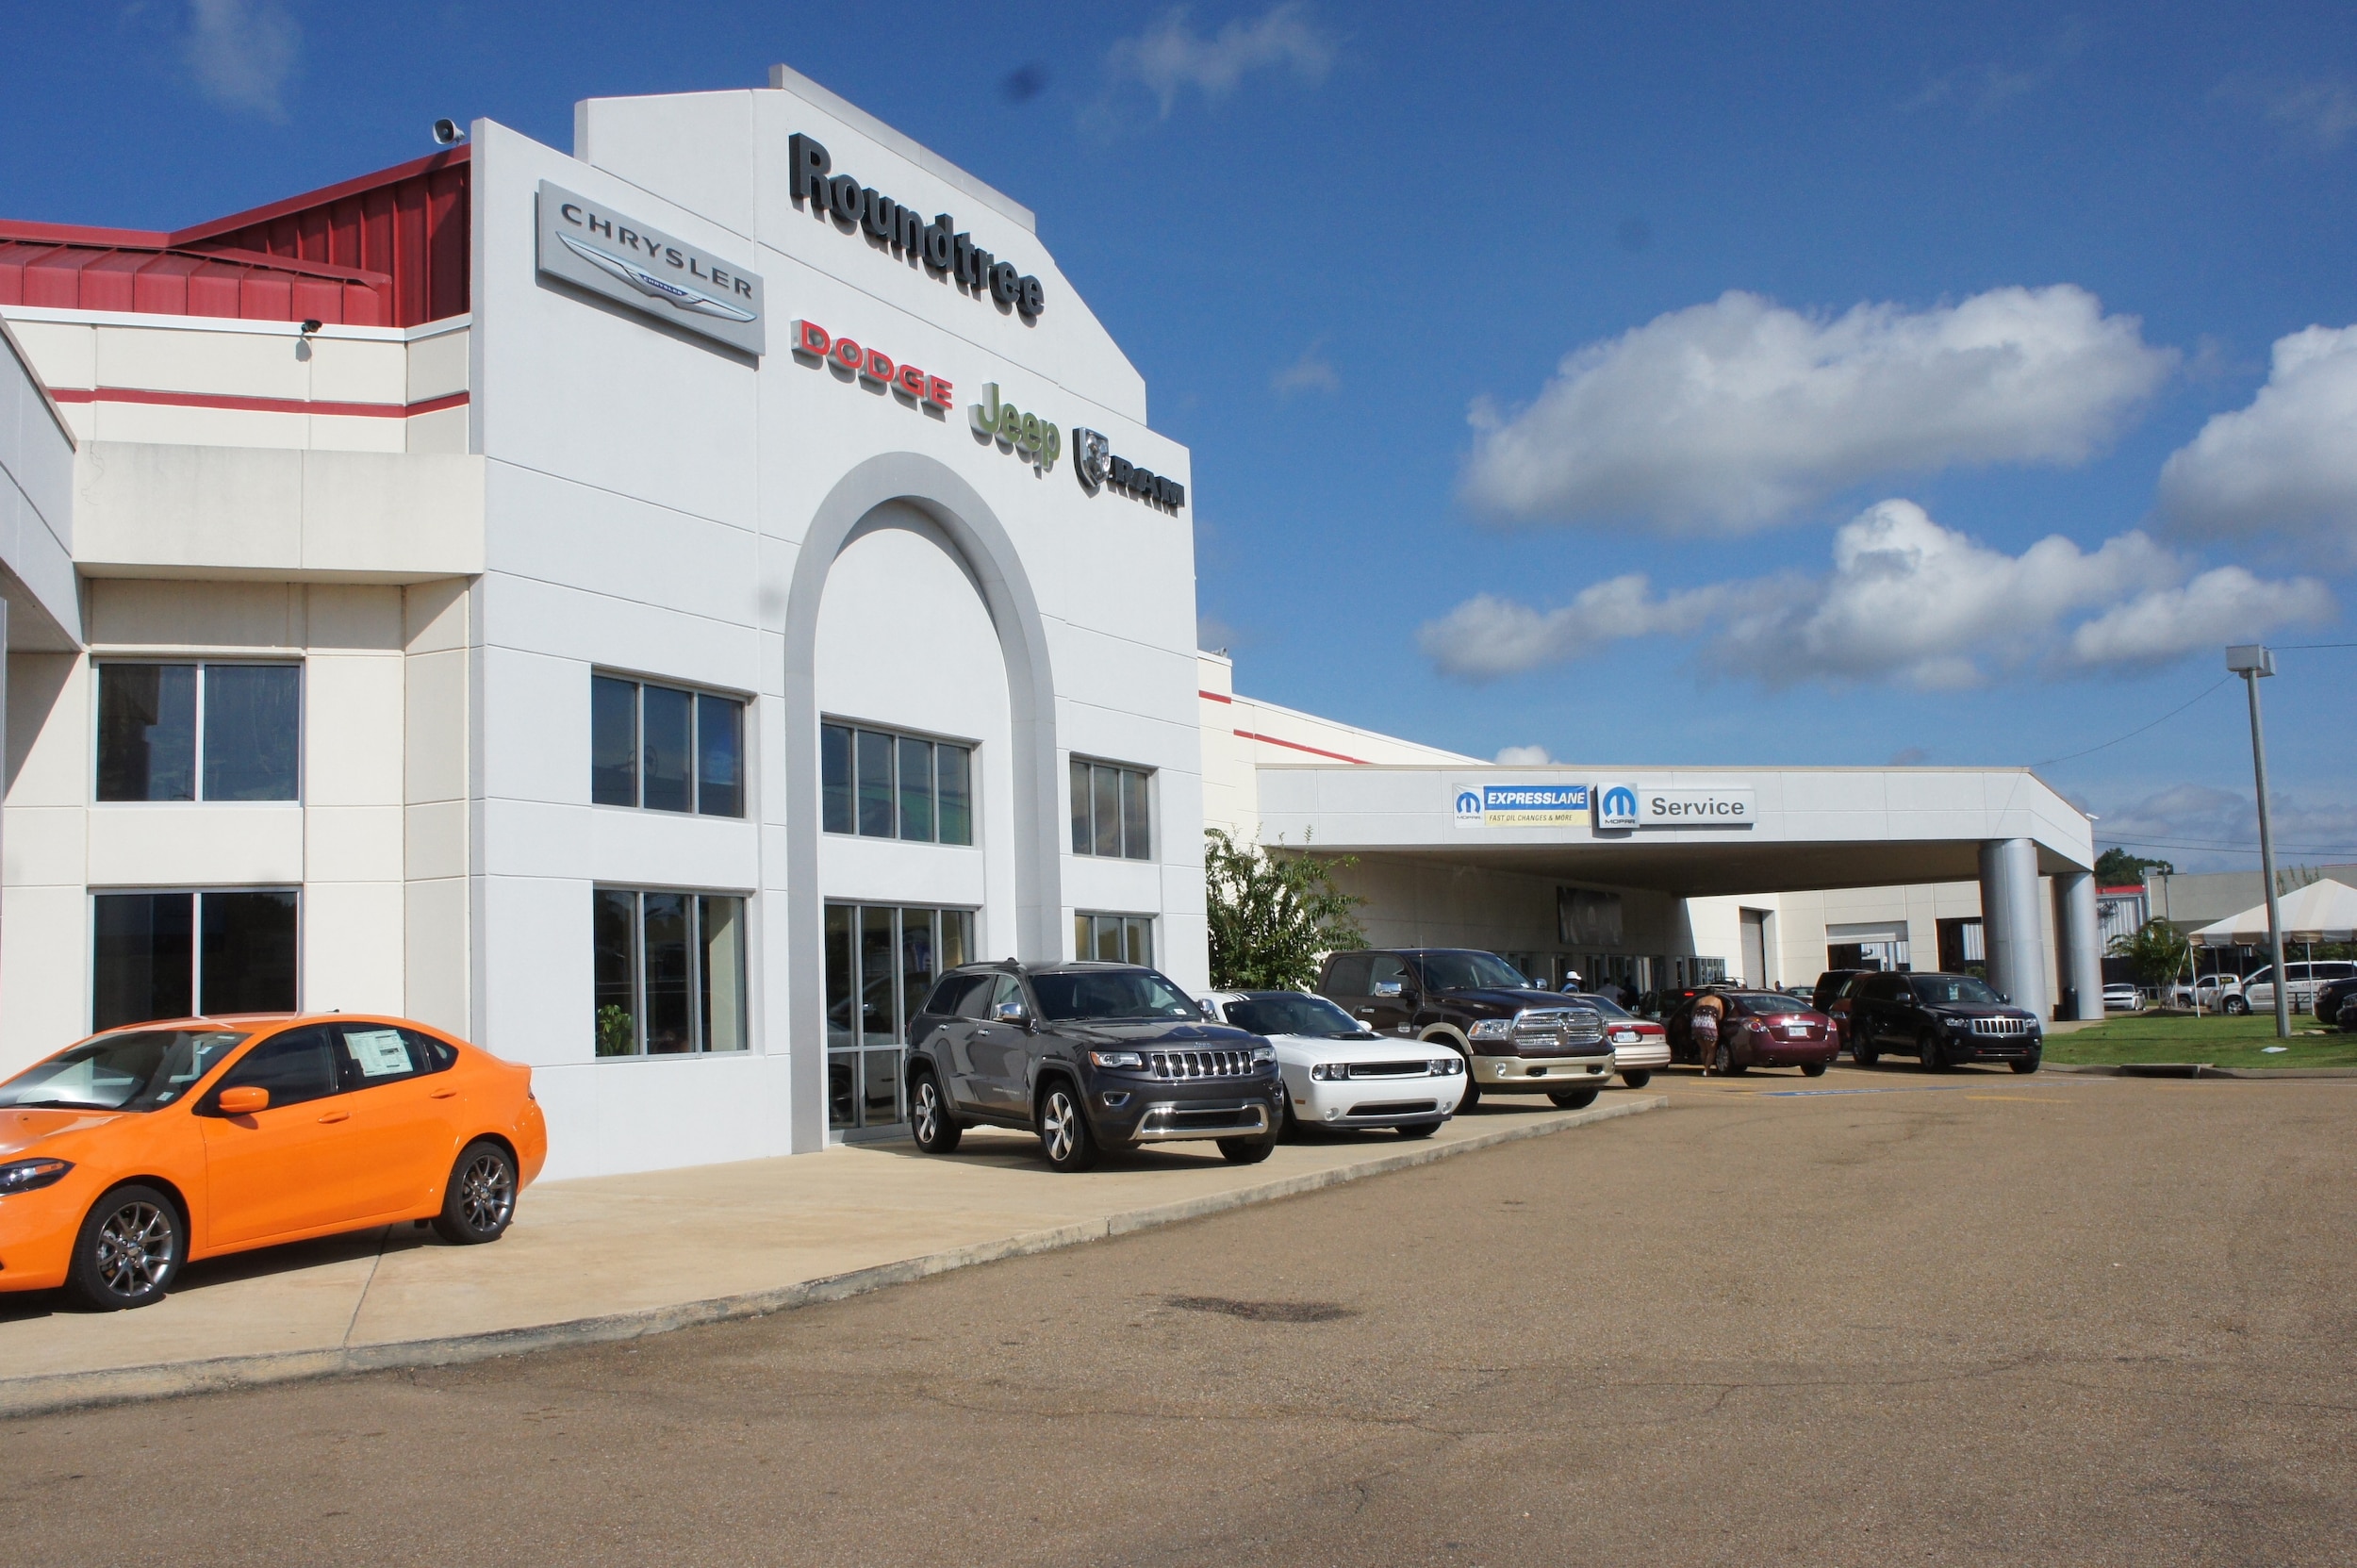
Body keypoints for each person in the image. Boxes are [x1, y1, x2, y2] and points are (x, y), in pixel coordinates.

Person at [1689, 993, 1724, 1074]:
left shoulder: (1699, 1000)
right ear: (1714, 993)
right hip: (1708, 1024)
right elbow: (1720, 1016)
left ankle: (1705, 1067)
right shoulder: (1717, 1000)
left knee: (1703, 1049)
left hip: (1697, 1024)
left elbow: (1692, 1013)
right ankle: (1706, 1070)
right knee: (1711, 1050)